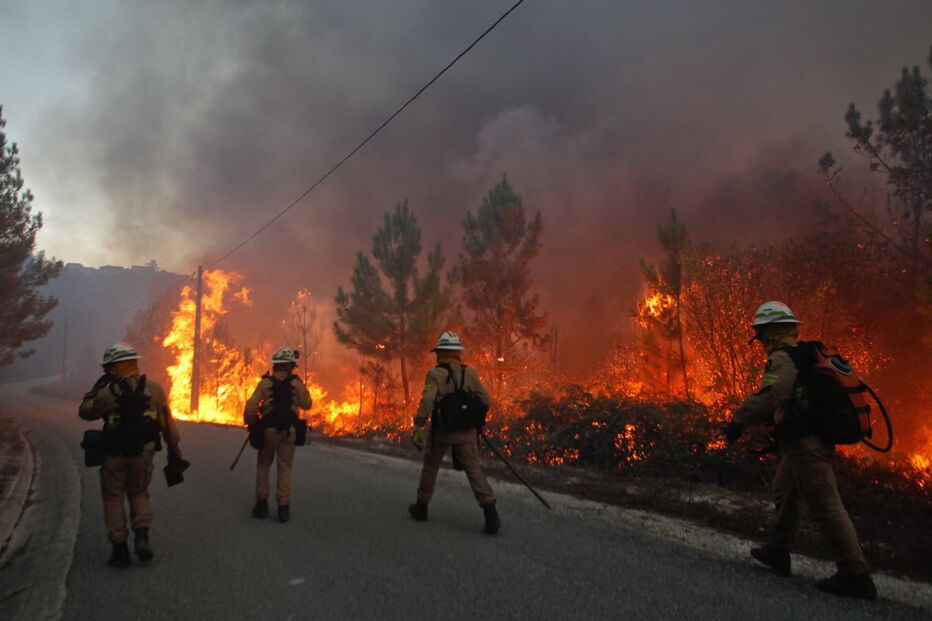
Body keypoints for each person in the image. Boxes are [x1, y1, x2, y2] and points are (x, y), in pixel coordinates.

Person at [723, 301, 876, 600]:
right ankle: (778, 550)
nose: (760, 342)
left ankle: (855, 573)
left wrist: (737, 422)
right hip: (799, 443)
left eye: (761, 335)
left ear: (769, 333)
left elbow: (773, 394)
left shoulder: (783, 358)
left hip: (808, 445)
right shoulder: (805, 354)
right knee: (785, 492)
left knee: (825, 505)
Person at [78, 342, 182, 568]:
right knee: (139, 492)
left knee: (113, 498)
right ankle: (142, 538)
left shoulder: (108, 392)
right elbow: (168, 426)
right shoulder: (154, 389)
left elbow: (85, 412)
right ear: (134, 363)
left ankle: (120, 550)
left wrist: (96, 390)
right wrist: (174, 450)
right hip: (143, 453)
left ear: (113, 367)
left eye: (108, 367)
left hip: (114, 453)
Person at [408, 331, 499, 534]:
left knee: (430, 467)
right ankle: (491, 513)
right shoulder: (470, 374)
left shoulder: (435, 374)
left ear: (440, 352)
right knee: (474, 470)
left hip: (442, 432)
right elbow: (486, 400)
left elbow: (428, 401)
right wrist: (473, 417)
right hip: (466, 433)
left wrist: (419, 423)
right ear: (458, 353)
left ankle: (421, 507)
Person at [243, 347, 312, 523]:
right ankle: (283, 508)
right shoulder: (296, 383)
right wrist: (296, 398)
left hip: (269, 432)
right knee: (285, 468)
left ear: (276, 365)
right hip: (289, 432)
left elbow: (251, 405)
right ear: (289, 366)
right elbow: (307, 404)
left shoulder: (266, 383)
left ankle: (261, 505)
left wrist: (252, 424)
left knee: (264, 465)